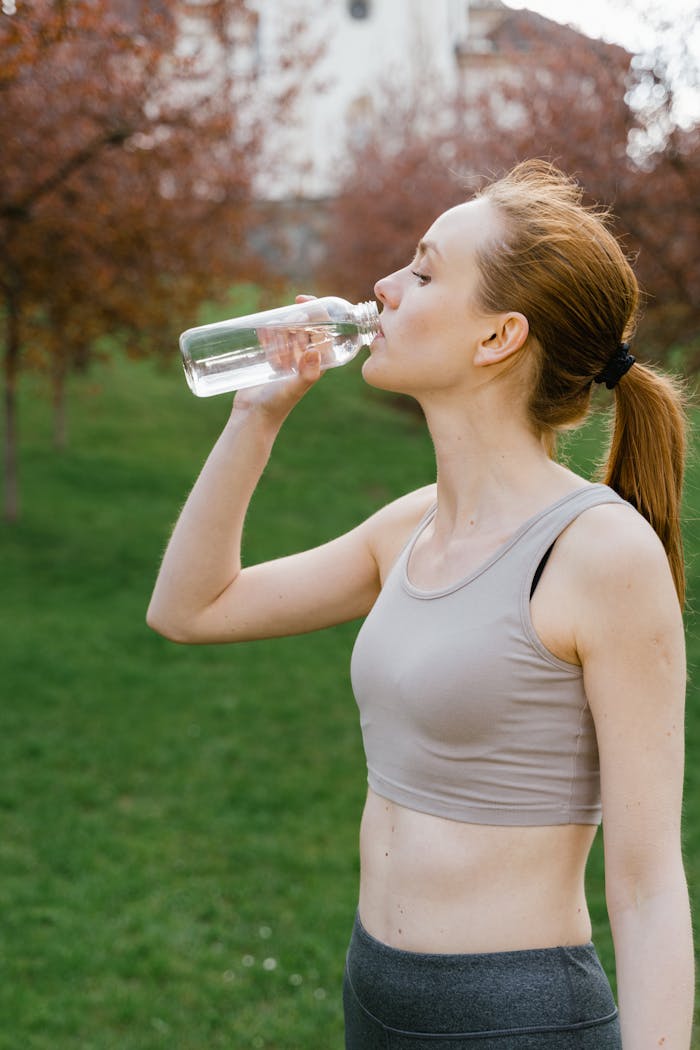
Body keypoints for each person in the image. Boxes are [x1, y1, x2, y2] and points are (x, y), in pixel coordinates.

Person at [147, 161, 694, 1048]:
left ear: (498, 338)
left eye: (425, 272)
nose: (384, 289)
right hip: (375, 995)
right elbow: (192, 608)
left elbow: (647, 883)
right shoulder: (412, 524)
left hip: (516, 1020)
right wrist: (256, 417)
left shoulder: (599, 554)